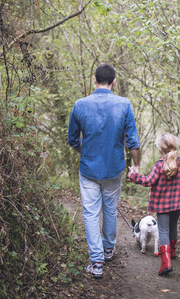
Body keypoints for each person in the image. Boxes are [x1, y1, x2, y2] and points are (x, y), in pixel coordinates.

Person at [68, 64, 141, 278]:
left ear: (94, 80)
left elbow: (72, 139)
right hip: (114, 168)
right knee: (110, 208)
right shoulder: (124, 104)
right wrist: (135, 166)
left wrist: (85, 151)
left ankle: (97, 261)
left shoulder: (80, 105)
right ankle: (108, 249)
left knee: (91, 213)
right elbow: (133, 143)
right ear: (114, 82)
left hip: (89, 168)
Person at [128, 133, 180, 276]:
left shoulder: (159, 165)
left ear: (161, 148)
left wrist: (133, 176)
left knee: (164, 231)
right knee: (173, 227)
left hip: (162, 205)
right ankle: (172, 252)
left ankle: (166, 263)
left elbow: (149, 181)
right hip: (178, 203)